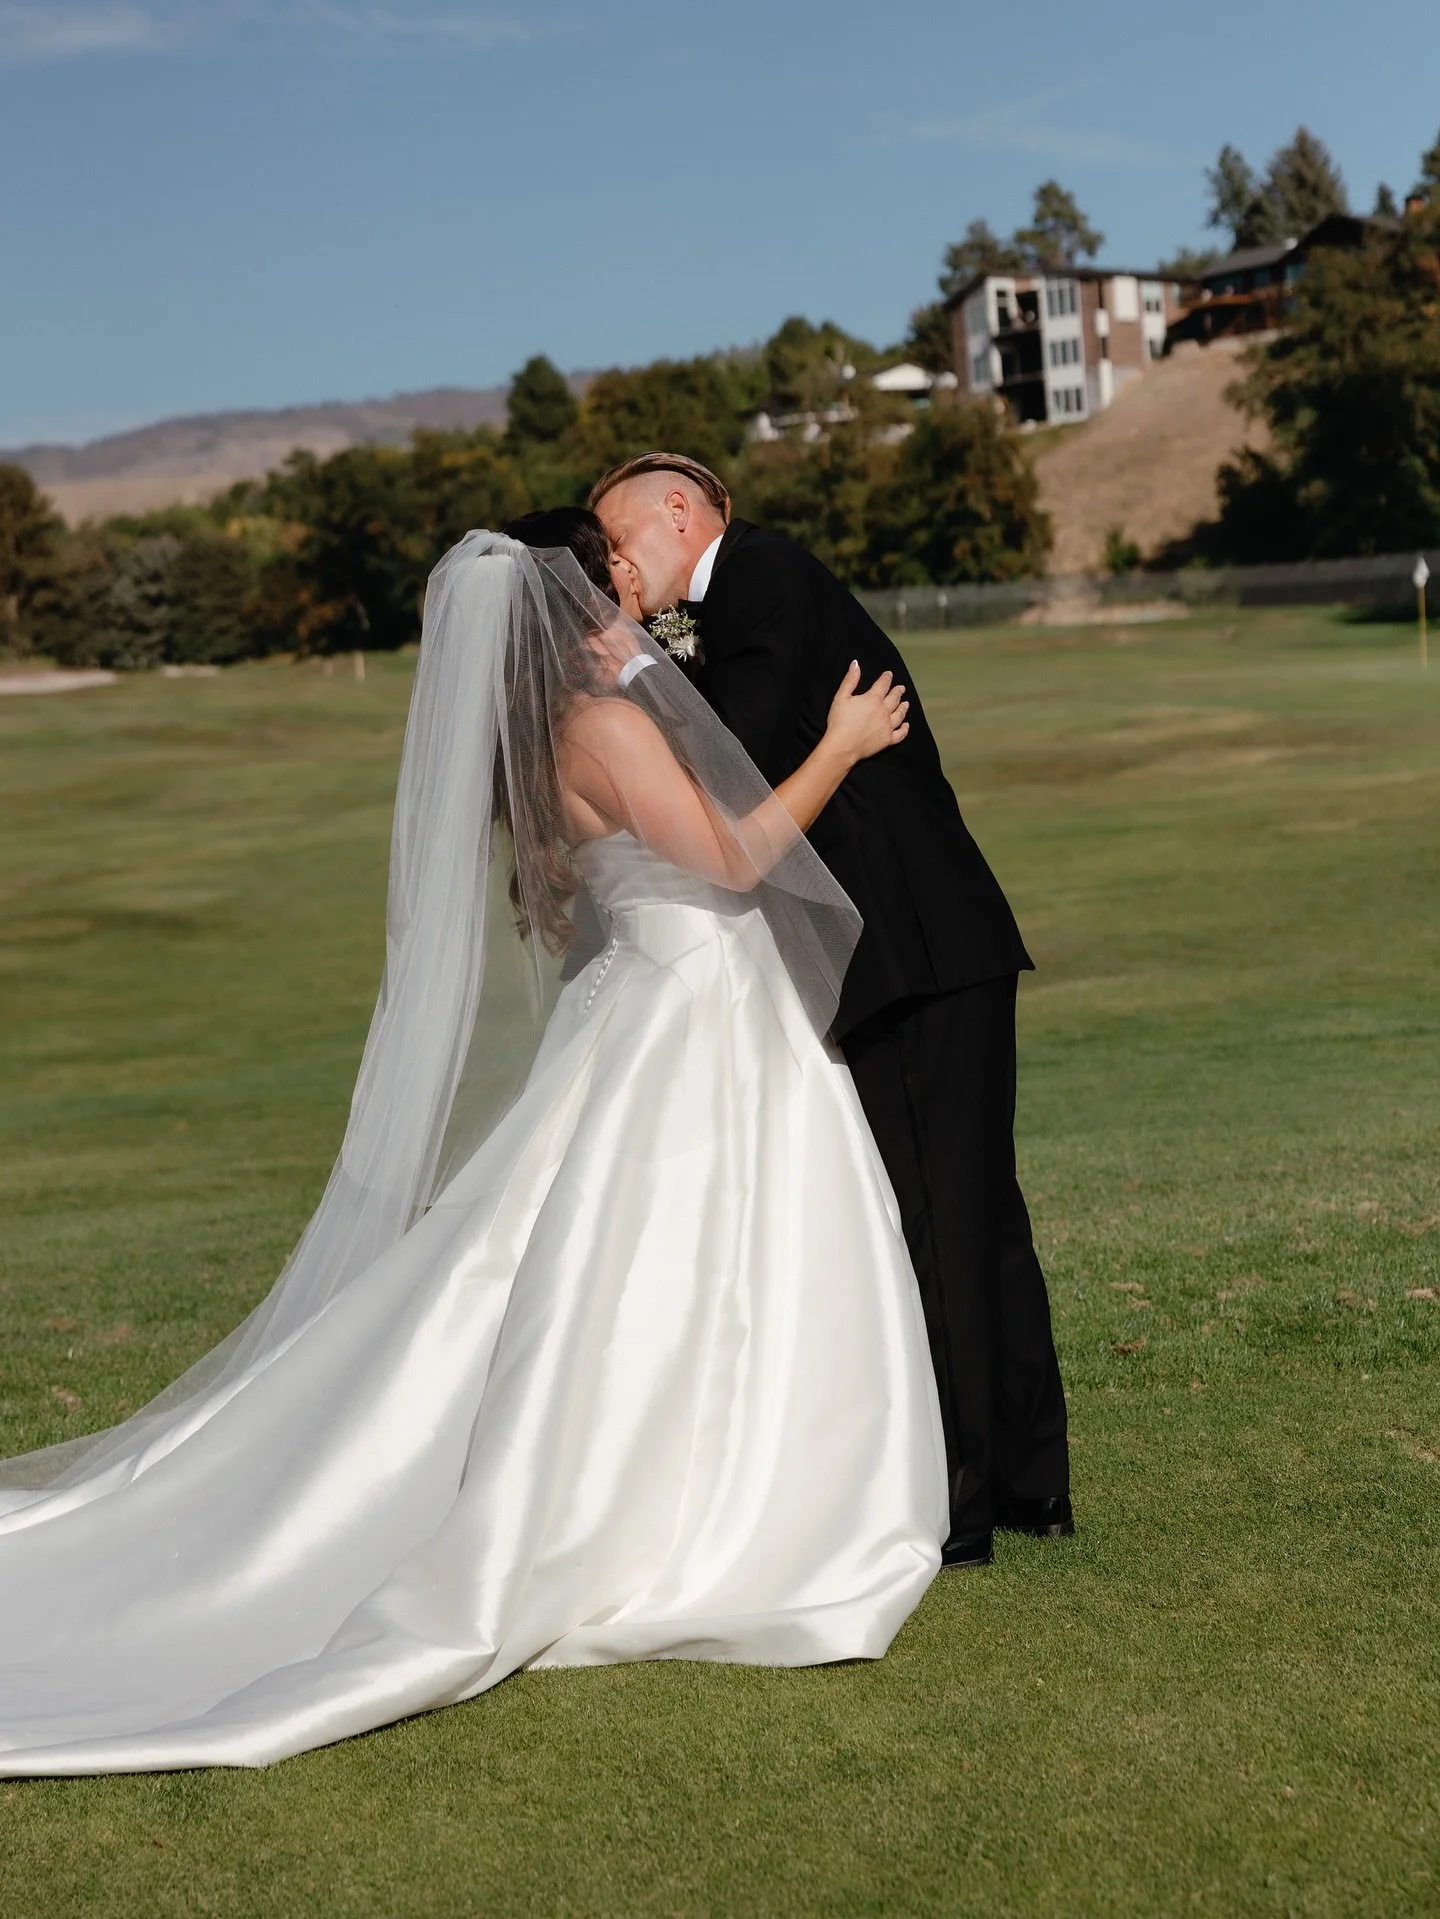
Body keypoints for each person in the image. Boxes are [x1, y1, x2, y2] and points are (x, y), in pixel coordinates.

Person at [0, 527, 945, 1776]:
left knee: (612, 1259)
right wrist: (841, 745)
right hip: (697, 1005)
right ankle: (735, 1506)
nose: (621, 598)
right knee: (690, 1254)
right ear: (568, 620)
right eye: (600, 589)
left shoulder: (536, 744)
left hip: (642, 994)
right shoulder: (603, 728)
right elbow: (730, 857)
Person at [593, 456, 1072, 1568]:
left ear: (679, 510)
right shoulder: (732, 602)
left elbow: (741, 747)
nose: (616, 567)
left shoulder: (764, 574)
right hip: (929, 941)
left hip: (908, 946)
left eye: (620, 540)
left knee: (942, 1223)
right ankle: (1028, 1481)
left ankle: (961, 1507)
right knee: (979, 1215)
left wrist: (633, 672)